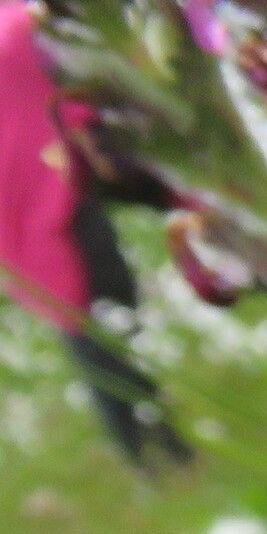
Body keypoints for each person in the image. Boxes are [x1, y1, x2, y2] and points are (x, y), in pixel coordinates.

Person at [1, 0, 191, 467]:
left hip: (68, 149)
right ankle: (149, 451)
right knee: (93, 305)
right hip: (32, 176)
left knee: (103, 301)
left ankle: (156, 445)